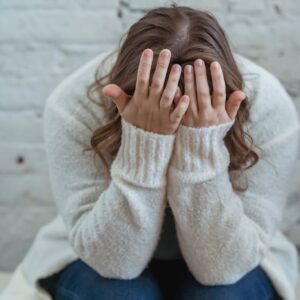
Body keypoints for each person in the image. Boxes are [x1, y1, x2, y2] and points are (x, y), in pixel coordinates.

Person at [1, 4, 299, 300]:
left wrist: (201, 147)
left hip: (236, 252)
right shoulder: (75, 103)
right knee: (121, 294)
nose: (177, 115)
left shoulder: (266, 106)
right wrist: (144, 144)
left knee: (219, 295)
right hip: (97, 253)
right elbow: (113, 264)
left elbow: (222, 269)